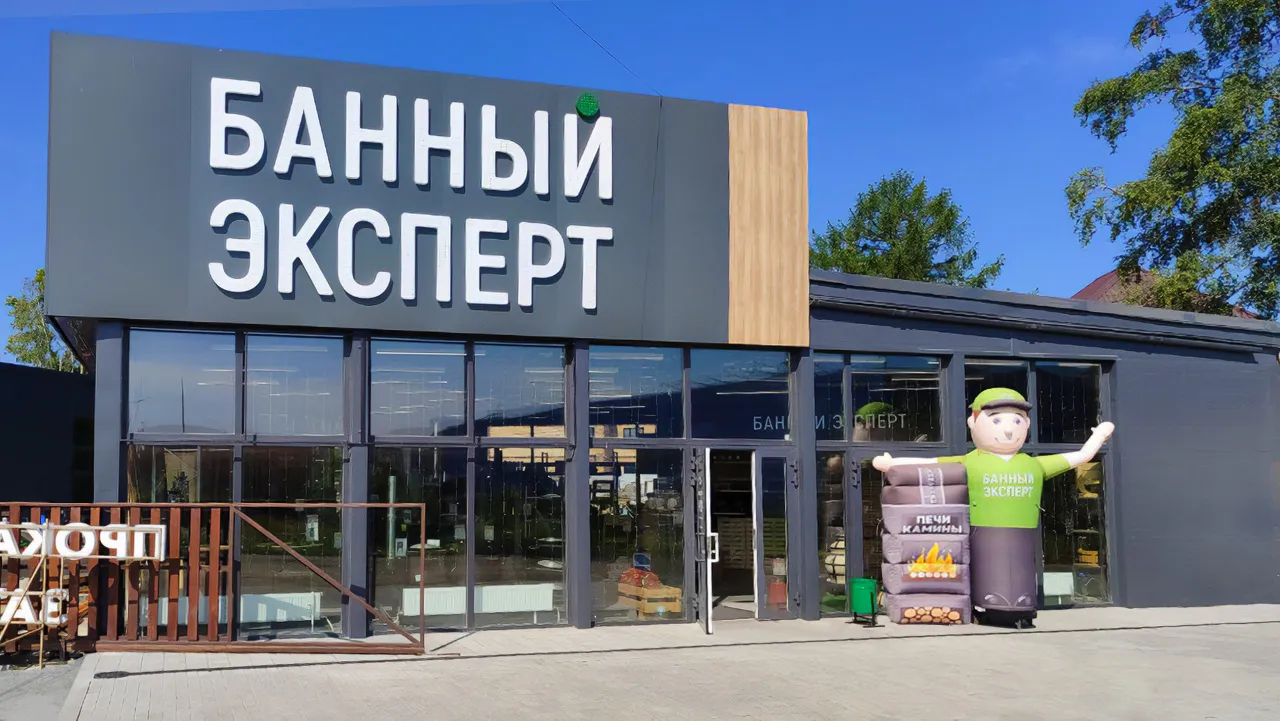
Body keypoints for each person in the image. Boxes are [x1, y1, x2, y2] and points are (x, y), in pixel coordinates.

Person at [871, 387, 1114, 628]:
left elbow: (1081, 456)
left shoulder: (1033, 464)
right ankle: (984, 606)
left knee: (1018, 572)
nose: (1008, 429)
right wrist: (892, 463)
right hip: (982, 533)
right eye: (996, 420)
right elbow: (930, 463)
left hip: (1023, 533)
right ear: (973, 422)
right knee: (986, 571)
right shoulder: (971, 462)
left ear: (1027, 424)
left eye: (1017, 420)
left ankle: (1021, 606)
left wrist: (1099, 437)